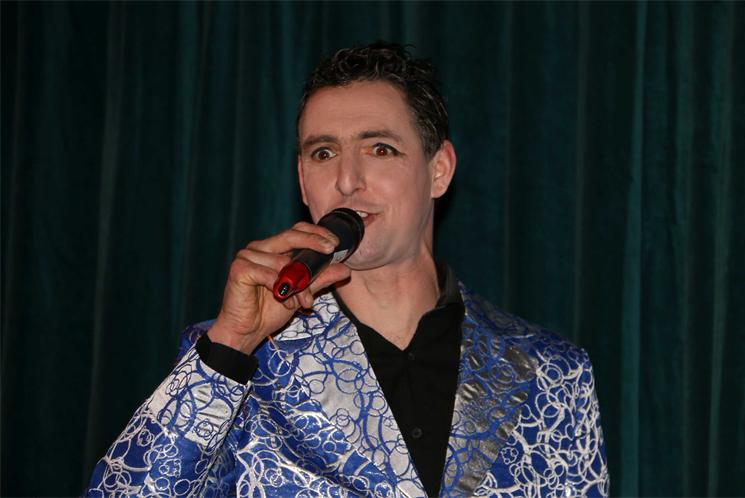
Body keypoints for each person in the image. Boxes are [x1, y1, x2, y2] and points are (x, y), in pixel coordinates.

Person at [86, 42, 609, 497]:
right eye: (323, 153)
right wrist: (230, 345)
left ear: (439, 170)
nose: (347, 179)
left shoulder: (551, 372)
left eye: (380, 149)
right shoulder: (238, 359)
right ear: (302, 179)